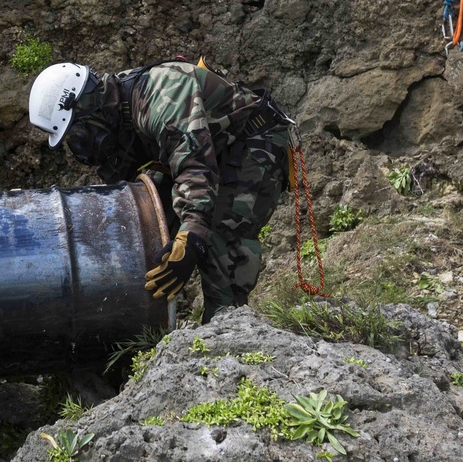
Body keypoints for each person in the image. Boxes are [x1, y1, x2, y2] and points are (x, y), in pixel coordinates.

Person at [28, 59, 294, 324]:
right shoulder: (114, 113)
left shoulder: (161, 93)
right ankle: (143, 326)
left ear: (86, 106)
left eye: (78, 134)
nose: (80, 147)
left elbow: (193, 163)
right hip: (209, 149)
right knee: (144, 219)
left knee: (219, 236)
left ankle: (227, 329)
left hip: (255, 141)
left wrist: (191, 236)